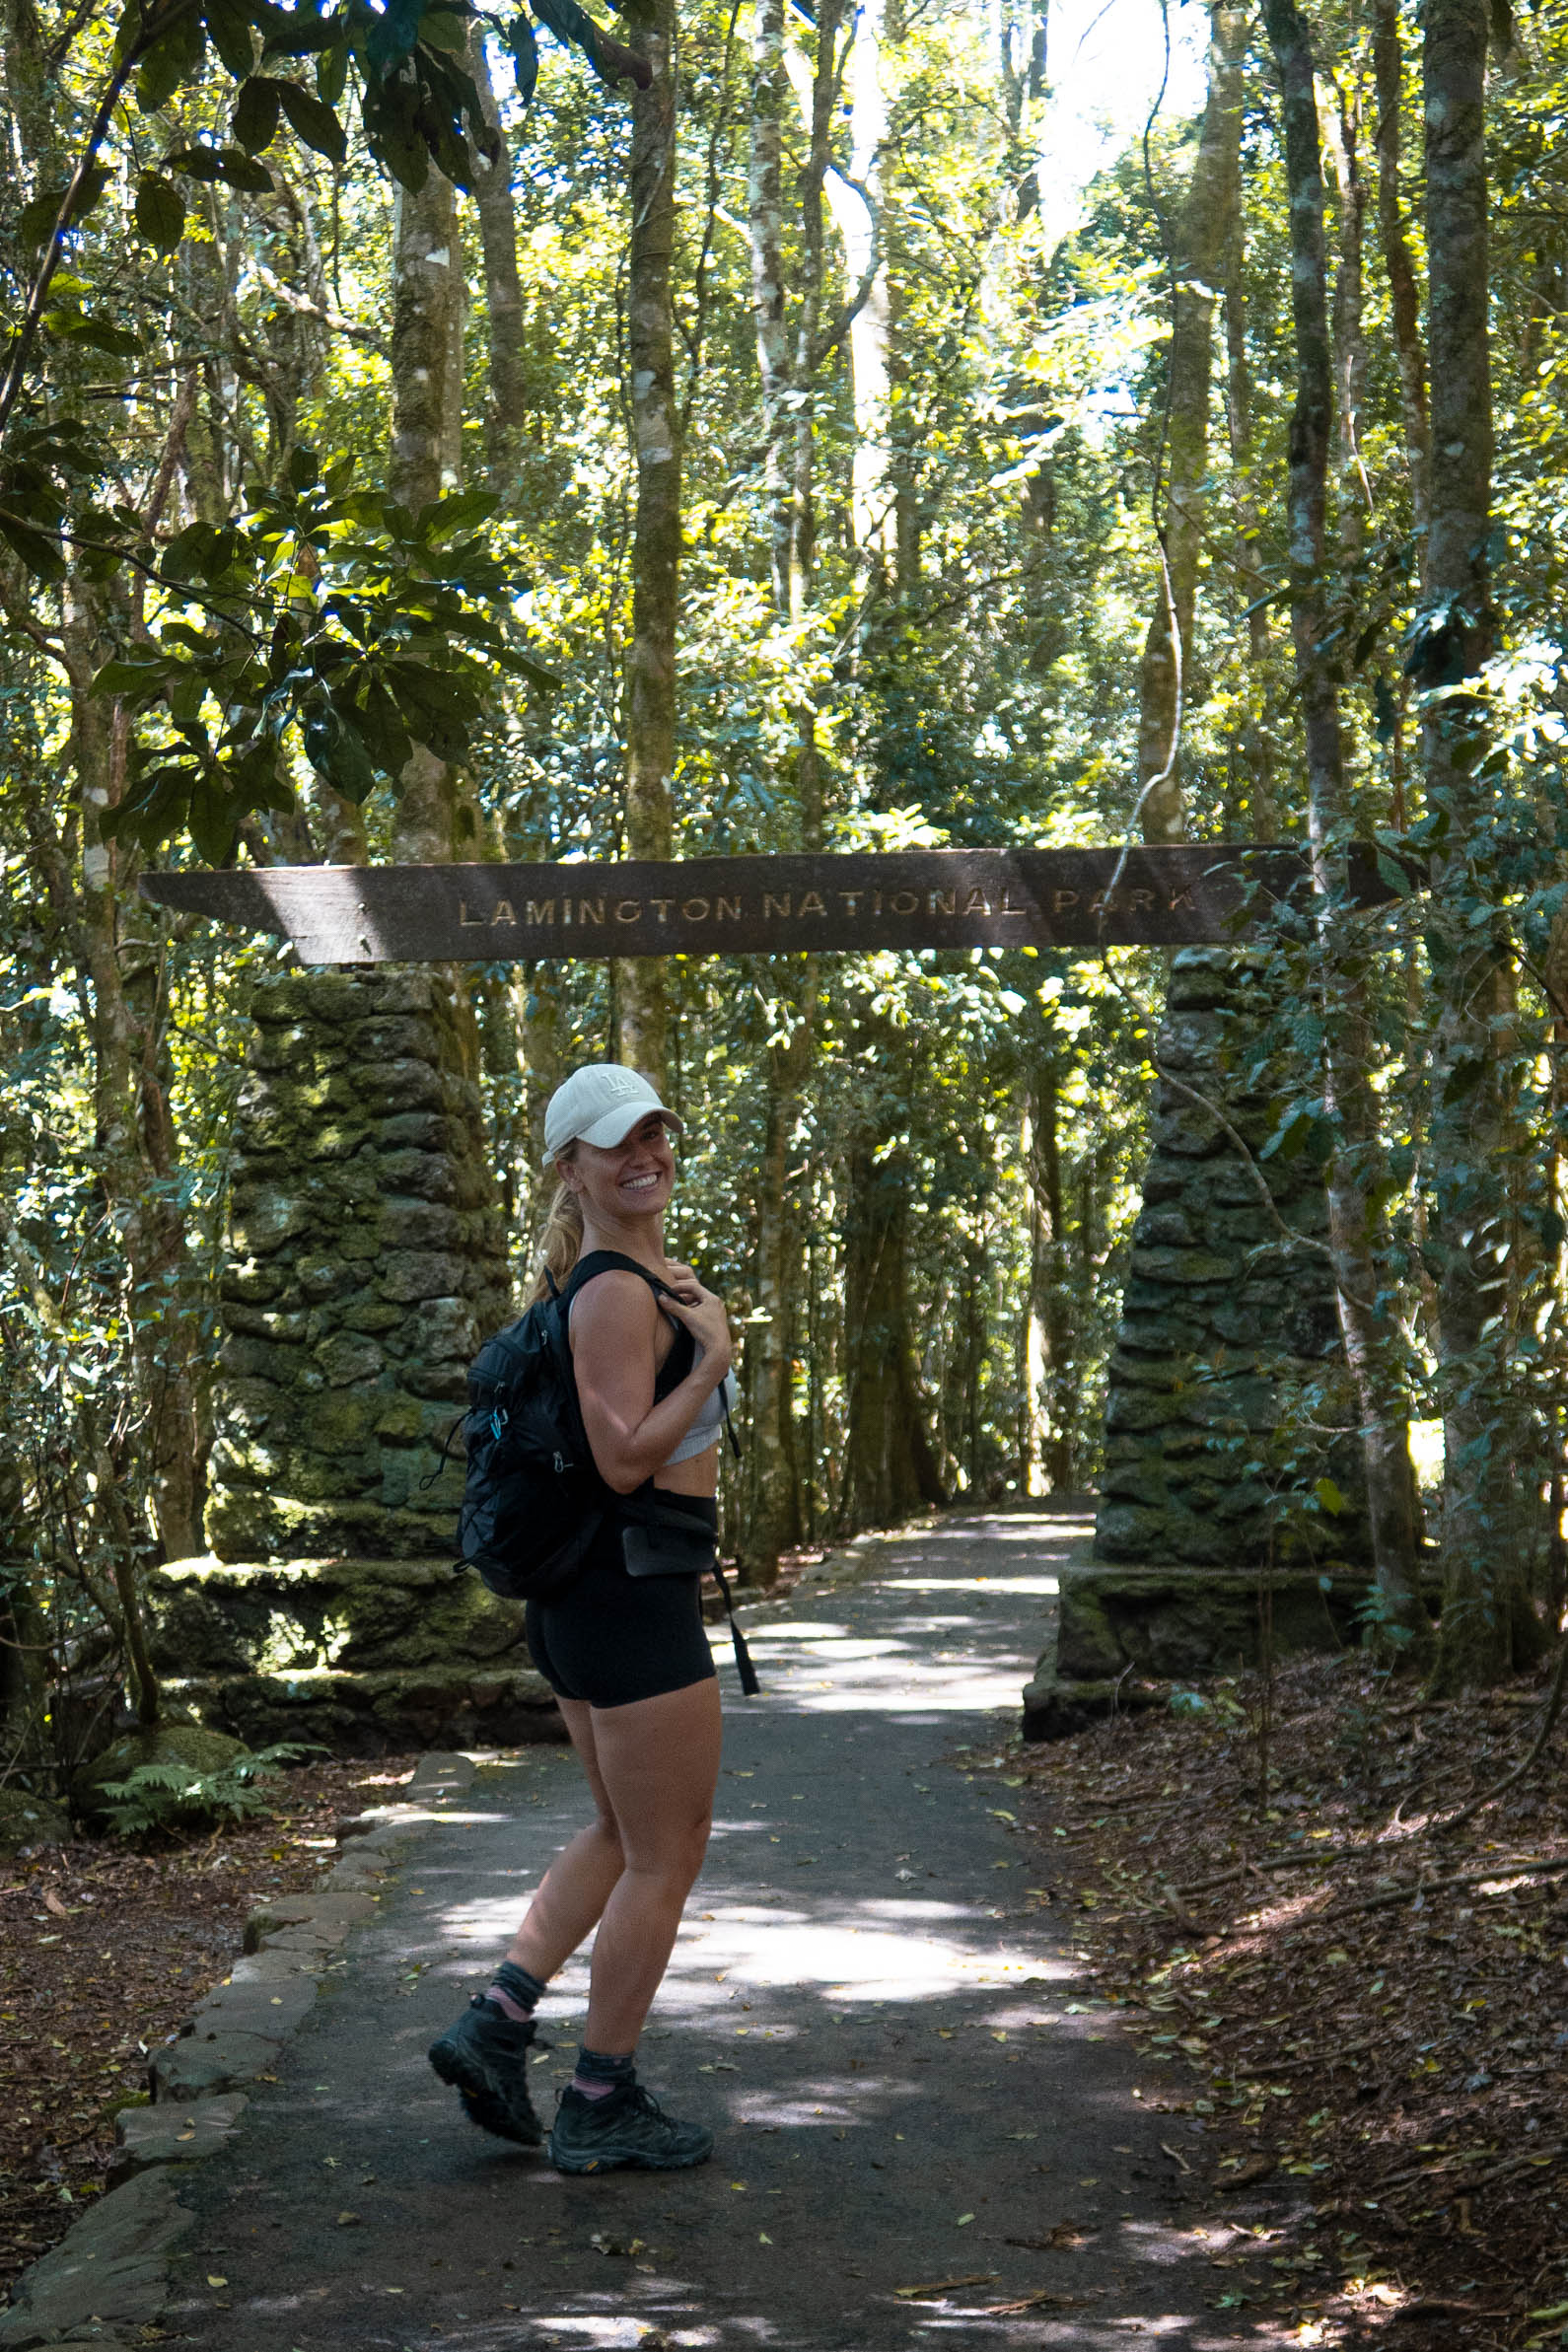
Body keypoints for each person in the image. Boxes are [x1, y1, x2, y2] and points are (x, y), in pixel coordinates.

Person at [428, 1062, 737, 2174]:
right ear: (572, 1168)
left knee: (621, 1831)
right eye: (618, 1143)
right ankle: (601, 2098)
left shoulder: (617, 1281)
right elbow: (621, 1457)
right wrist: (714, 1359)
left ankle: (497, 2021)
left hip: (589, 1600)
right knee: (668, 1852)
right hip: (627, 1598)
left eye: (655, 1131)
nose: (645, 1155)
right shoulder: (611, 1290)